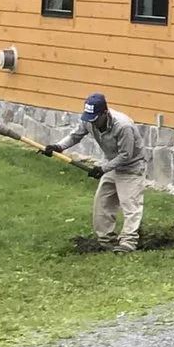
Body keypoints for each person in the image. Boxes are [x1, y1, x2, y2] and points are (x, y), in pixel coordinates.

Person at [49, 92, 148, 252]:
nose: (92, 122)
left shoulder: (123, 126)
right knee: (102, 203)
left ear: (104, 113)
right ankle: (106, 240)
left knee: (130, 205)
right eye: (89, 118)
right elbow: (75, 136)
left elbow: (126, 155)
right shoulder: (89, 121)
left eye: (95, 118)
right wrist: (58, 147)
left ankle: (128, 243)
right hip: (111, 165)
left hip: (131, 167)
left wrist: (102, 169)